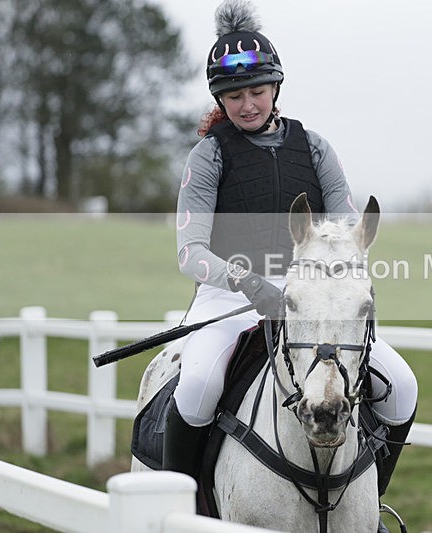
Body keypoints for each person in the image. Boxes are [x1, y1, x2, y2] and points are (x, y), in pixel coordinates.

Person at [164, 0, 418, 527]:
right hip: (229, 296)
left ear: (275, 88)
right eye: (234, 95)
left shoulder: (315, 147)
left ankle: (368, 501)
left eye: (257, 91)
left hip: (310, 296)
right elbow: (190, 252)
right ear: (221, 99)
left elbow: (348, 233)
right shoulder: (209, 156)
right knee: (195, 391)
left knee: (402, 387)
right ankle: (184, 511)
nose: (248, 104)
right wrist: (246, 280)